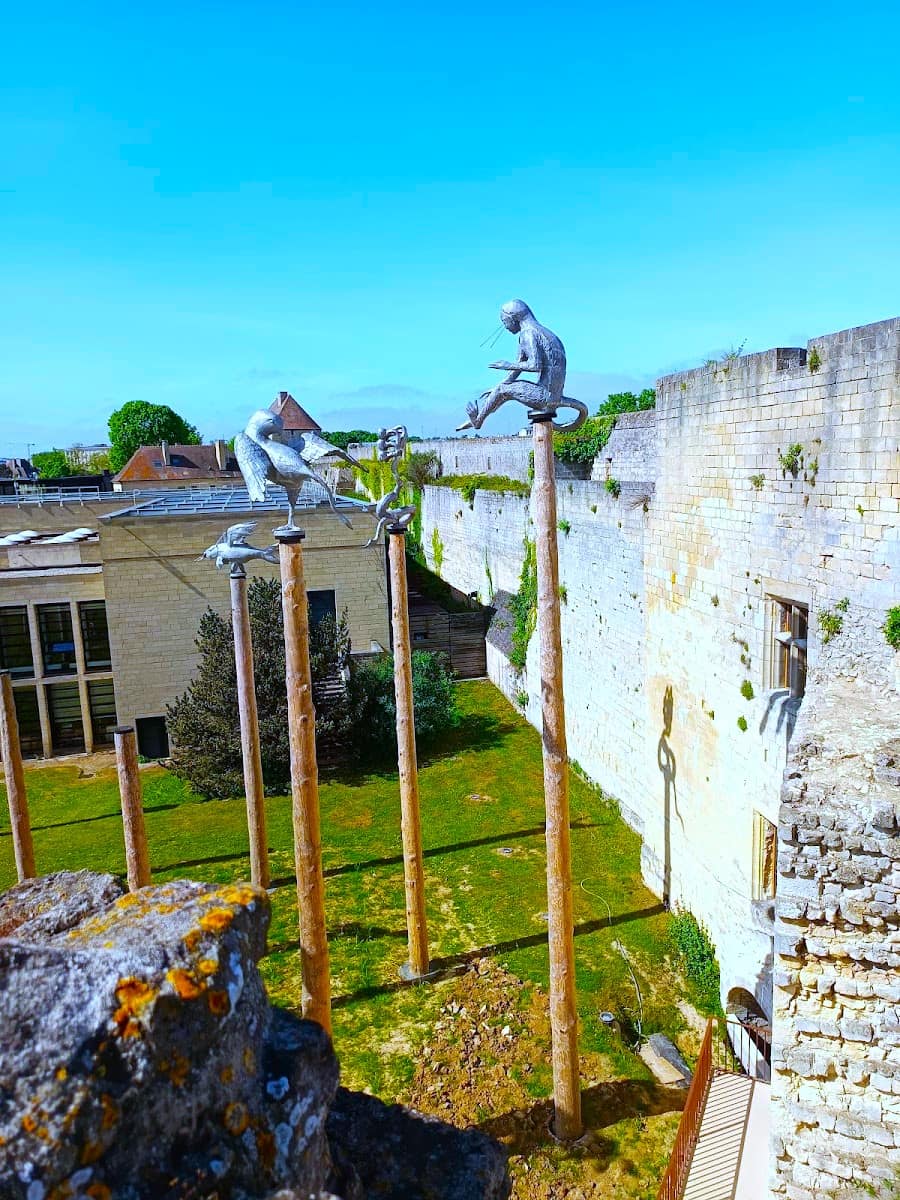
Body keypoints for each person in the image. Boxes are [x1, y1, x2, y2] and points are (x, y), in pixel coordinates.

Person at [457, 299, 587, 432]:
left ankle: (477, 421)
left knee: (503, 390)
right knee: (502, 389)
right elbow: (516, 370)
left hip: (544, 397)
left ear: (513, 318)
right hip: (555, 396)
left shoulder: (528, 333)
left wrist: (506, 365)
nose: (506, 327)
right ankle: (480, 416)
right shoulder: (545, 332)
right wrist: (495, 391)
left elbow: (534, 364)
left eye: (504, 322)